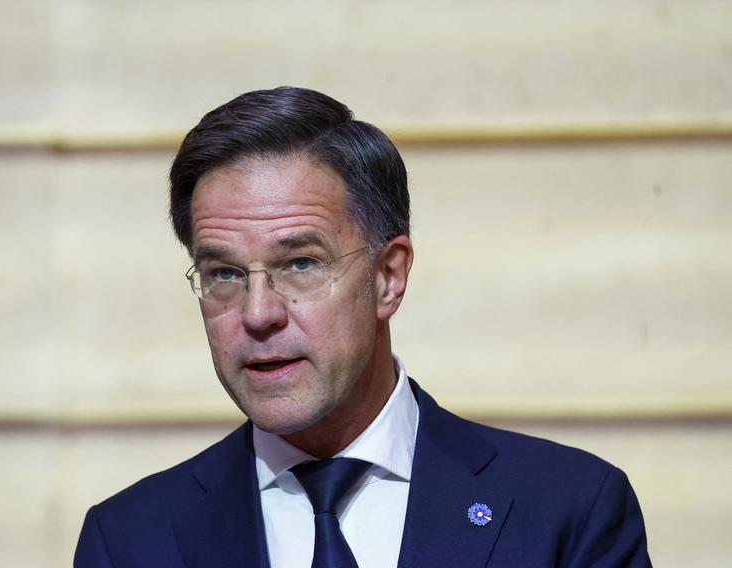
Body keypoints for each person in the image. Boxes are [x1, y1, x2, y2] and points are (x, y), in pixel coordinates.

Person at [74, 87, 650, 568]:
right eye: (223, 273)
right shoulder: (127, 541)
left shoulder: (567, 511)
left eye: (300, 264)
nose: (257, 313)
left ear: (387, 278)